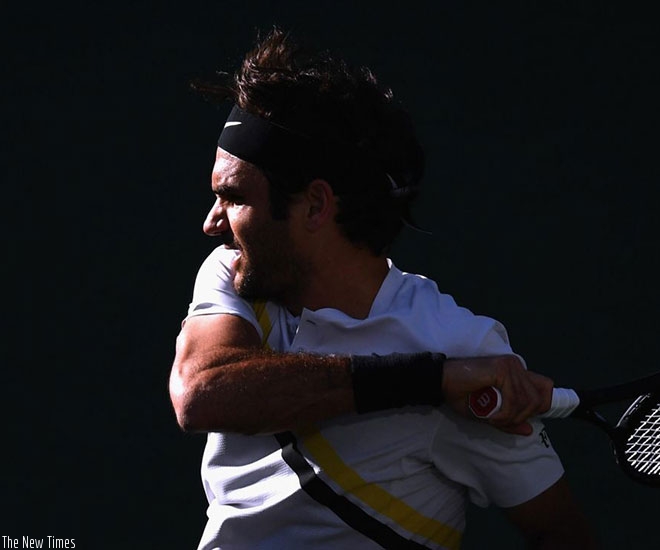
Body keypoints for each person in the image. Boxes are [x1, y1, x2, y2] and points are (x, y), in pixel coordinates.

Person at [169, 25, 596, 550]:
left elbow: (564, 537)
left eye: (233, 197)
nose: (214, 223)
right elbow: (202, 393)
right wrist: (434, 381)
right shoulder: (235, 275)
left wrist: (448, 373)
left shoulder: (462, 346)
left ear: (315, 206)